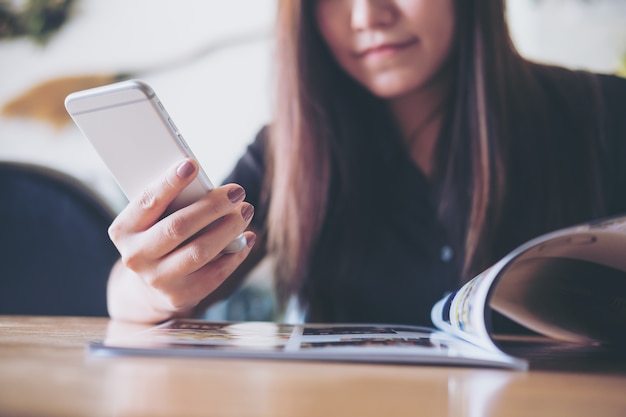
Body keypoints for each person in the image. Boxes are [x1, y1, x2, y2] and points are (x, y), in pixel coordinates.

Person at [106, 0, 626, 326]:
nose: (367, 16)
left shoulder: (604, 113)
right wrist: (151, 286)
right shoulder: (291, 149)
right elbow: (133, 299)